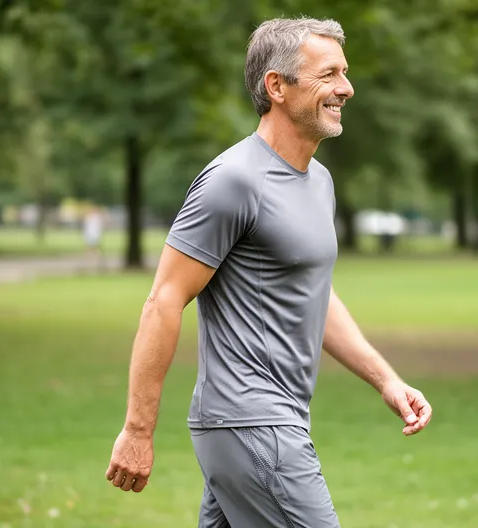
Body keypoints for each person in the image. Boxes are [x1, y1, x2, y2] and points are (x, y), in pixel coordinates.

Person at [104, 17, 433, 527]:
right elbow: (164, 300)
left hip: (272, 421)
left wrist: (385, 380)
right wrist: (138, 430)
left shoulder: (318, 181)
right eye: (328, 75)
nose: (346, 88)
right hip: (249, 421)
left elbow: (313, 294)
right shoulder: (233, 181)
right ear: (277, 86)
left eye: (344, 73)